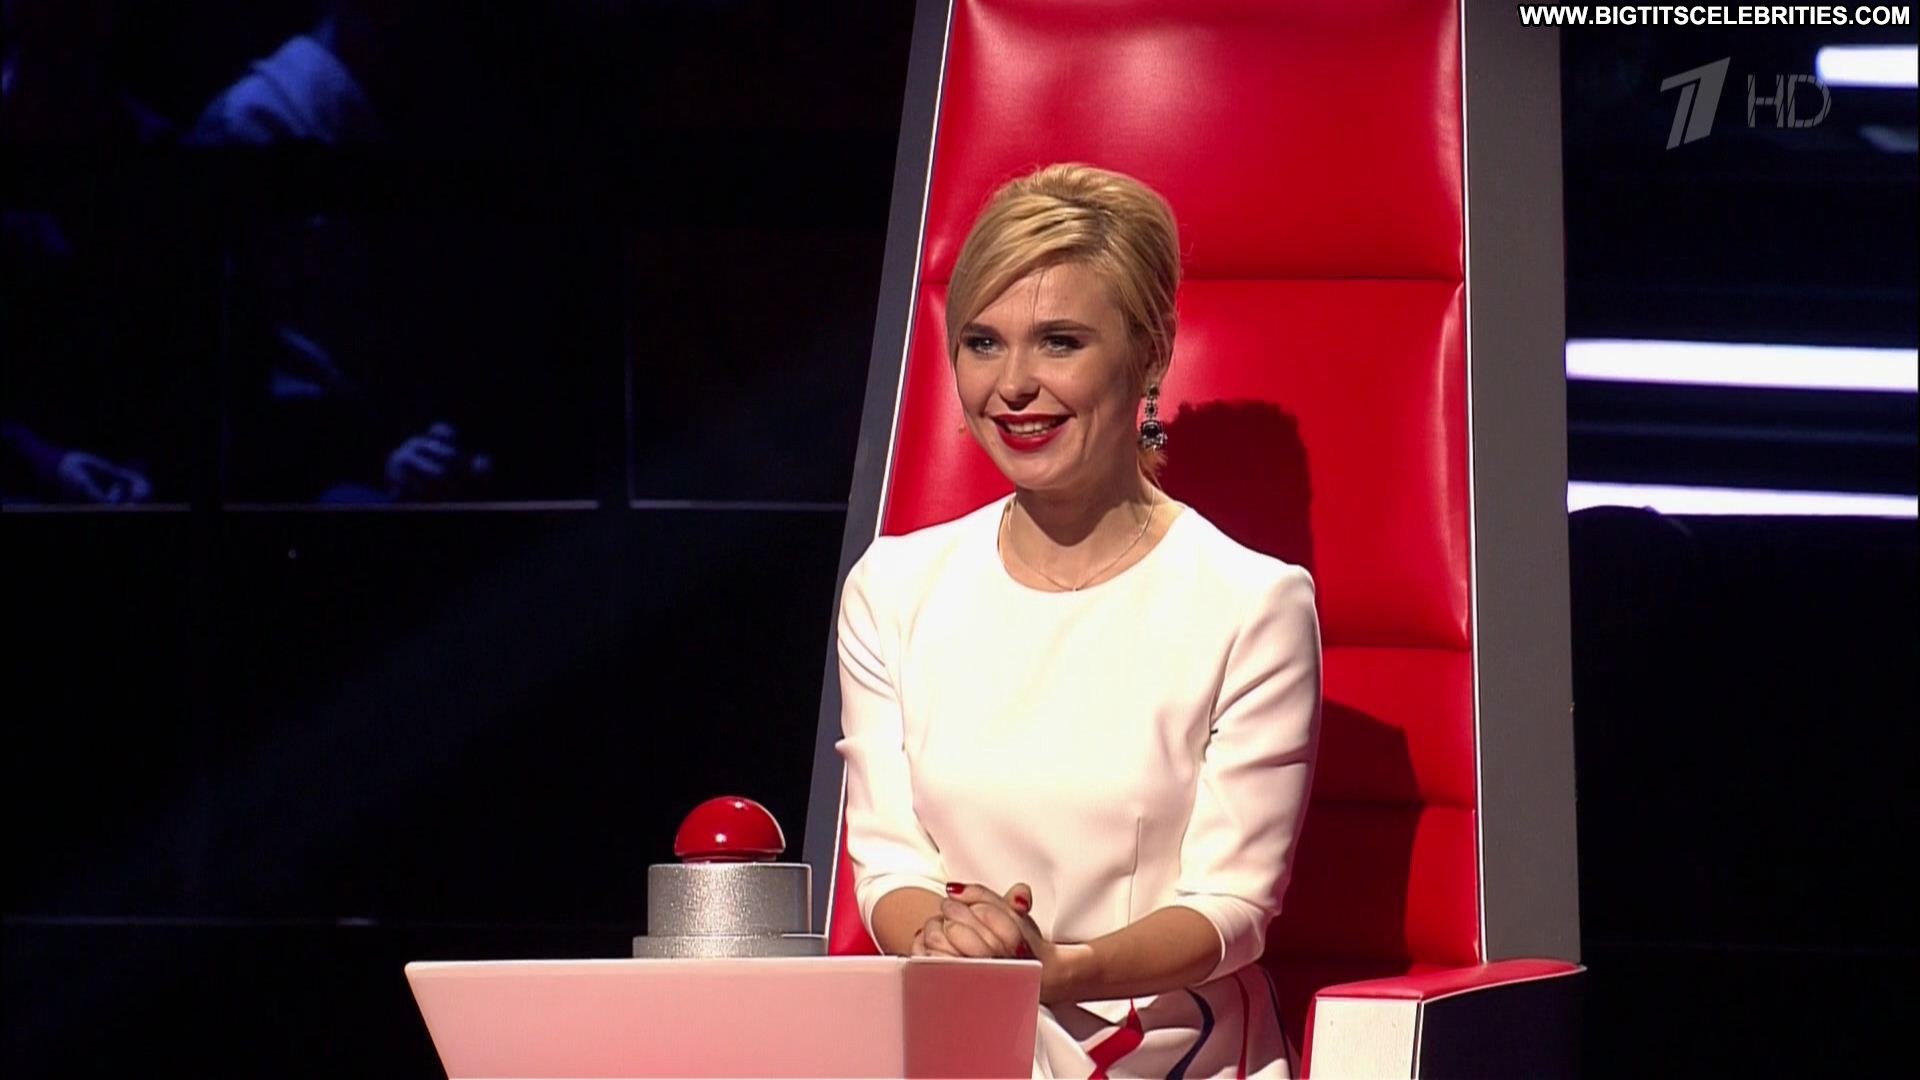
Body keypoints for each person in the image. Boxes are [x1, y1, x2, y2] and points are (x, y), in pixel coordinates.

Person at [835, 164, 1322, 1078]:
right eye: (983, 343)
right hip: (961, 1039)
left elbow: (1232, 907)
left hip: (1169, 1051)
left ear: (1151, 353)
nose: (1013, 385)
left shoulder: (1253, 603)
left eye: (1059, 342)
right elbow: (891, 870)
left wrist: (1059, 970)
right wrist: (963, 948)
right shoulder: (892, 589)